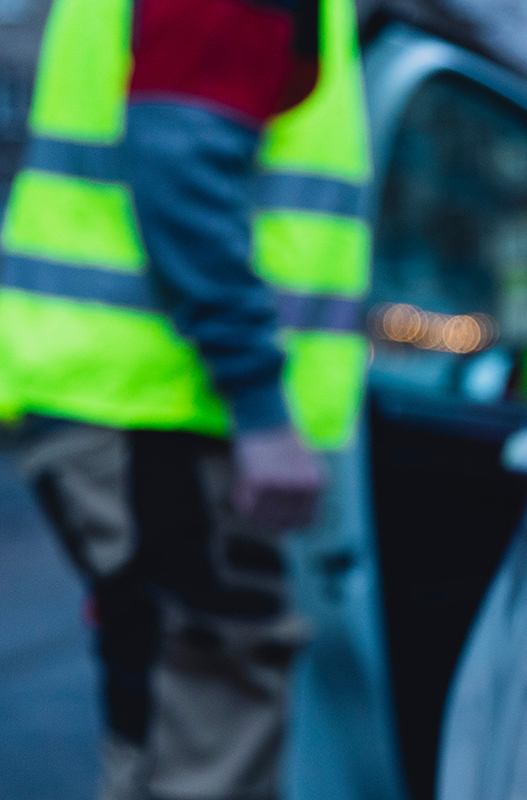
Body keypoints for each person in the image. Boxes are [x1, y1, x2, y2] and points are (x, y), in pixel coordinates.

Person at [0, 0, 372, 796]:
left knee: (165, 713)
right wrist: (263, 412)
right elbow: (183, 166)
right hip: (165, 408)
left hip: (138, 401)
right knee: (208, 718)